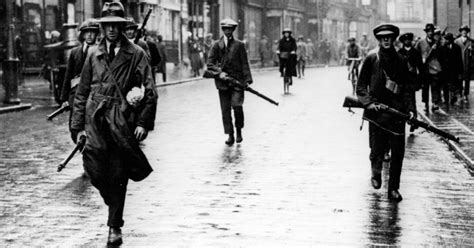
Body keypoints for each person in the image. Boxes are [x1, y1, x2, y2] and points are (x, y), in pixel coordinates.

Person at [70, 2, 158, 245]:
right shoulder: (92, 54)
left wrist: (143, 122)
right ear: (102, 26)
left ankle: (114, 227)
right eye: (107, 25)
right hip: (94, 119)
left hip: (121, 120)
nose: (111, 30)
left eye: (116, 25)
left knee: (119, 173)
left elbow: (150, 91)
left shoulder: (136, 54)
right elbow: (81, 92)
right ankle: (114, 201)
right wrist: (77, 127)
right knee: (95, 171)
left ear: (122, 27)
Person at [356, 23, 416, 202]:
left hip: (397, 114)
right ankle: (376, 173)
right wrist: (368, 103)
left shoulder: (401, 61)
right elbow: (360, 86)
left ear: (394, 39)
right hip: (376, 113)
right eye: (383, 38)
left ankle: (393, 188)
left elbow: (407, 89)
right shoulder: (371, 59)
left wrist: (411, 110)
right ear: (379, 40)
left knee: (398, 153)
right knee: (376, 150)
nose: (386, 40)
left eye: (389, 37)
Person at [206, 18, 253, 145]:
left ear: (233, 30)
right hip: (223, 83)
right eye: (225, 29)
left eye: (230, 29)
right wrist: (219, 73)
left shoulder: (239, 45)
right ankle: (230, 135)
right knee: (225, 110)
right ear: (222, 30)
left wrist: (247, 79)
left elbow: (244, 63)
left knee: (237, 107)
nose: (227, 31)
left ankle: (239, 131)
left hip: (238, 81)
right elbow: (210, 64)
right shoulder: (216, 45)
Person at [60, 19, 100, 138]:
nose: (89, 35)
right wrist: (64, 98)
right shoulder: (75, 52)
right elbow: (68, 76)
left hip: (93, 96)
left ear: (97, 33)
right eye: (86, 32)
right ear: (82, 34)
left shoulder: (100, 52)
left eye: (92, 32)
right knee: (75, 128)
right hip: (76, 95)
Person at [415, 24, 443, 111]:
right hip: (424, 68)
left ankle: (434, 103)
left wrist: (436, 49)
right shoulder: (421, 42)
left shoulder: (437, 42)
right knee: (425, 87)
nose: (430, 33)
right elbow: (415, 53)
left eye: (432, 31)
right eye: (429, 31)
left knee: (435, 86)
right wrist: (421, 59)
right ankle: (425, 103)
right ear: (426, 32)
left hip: (435, 68)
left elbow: (442, 55)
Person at [440, 33, 463, 106]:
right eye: (446, 39)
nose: (447, 41)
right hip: (444, 70)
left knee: (453, 85)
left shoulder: (457, 48)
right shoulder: (442, 48)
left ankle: (453, 99)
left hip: (454, 70)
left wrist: (460, 71)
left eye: (448, 39)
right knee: (445, 86)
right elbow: (440, 59)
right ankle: (446, 99)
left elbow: (459, 60)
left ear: (451, 40)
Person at [454, 25, 474, 103]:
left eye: (466, 30)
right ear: (461, 32)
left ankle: (465, 94)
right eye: (463, 30)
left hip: (467, 63)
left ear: (467, 32)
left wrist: (471, 50)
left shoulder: (471, 41)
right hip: (459, 63)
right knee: (459, 79)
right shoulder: (457, 41)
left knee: (467, 80)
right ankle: (459, 93)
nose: (464, 32)